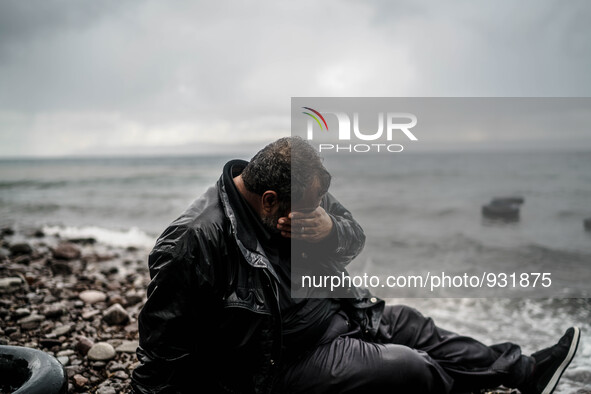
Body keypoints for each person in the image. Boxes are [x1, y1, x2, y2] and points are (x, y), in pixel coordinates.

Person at [130, 136, 581, 394]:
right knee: (408, 366)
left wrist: (327, 229)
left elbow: (352, 237)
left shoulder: (296, 188)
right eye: (306, 208)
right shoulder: (194, 240)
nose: (315, 209)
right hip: (278, 362)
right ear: (268, 200)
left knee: (414, 325)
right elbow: (161, 347)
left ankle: (526, 372)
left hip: (337, 311)